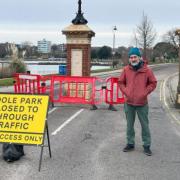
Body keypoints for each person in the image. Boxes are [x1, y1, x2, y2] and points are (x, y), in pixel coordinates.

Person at [119, 47, 157, 156]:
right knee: (129, 125)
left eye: (135, 57)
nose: (133, 59)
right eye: (131, 57)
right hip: (129, 103)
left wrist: (145, 92)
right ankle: (130, 143)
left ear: (139, 58)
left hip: (142, 103)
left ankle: (147, 146)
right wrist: (126, 91)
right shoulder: (126, 70)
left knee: (145, 125)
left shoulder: (147, 70)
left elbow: (153, 83)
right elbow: (121, 82)